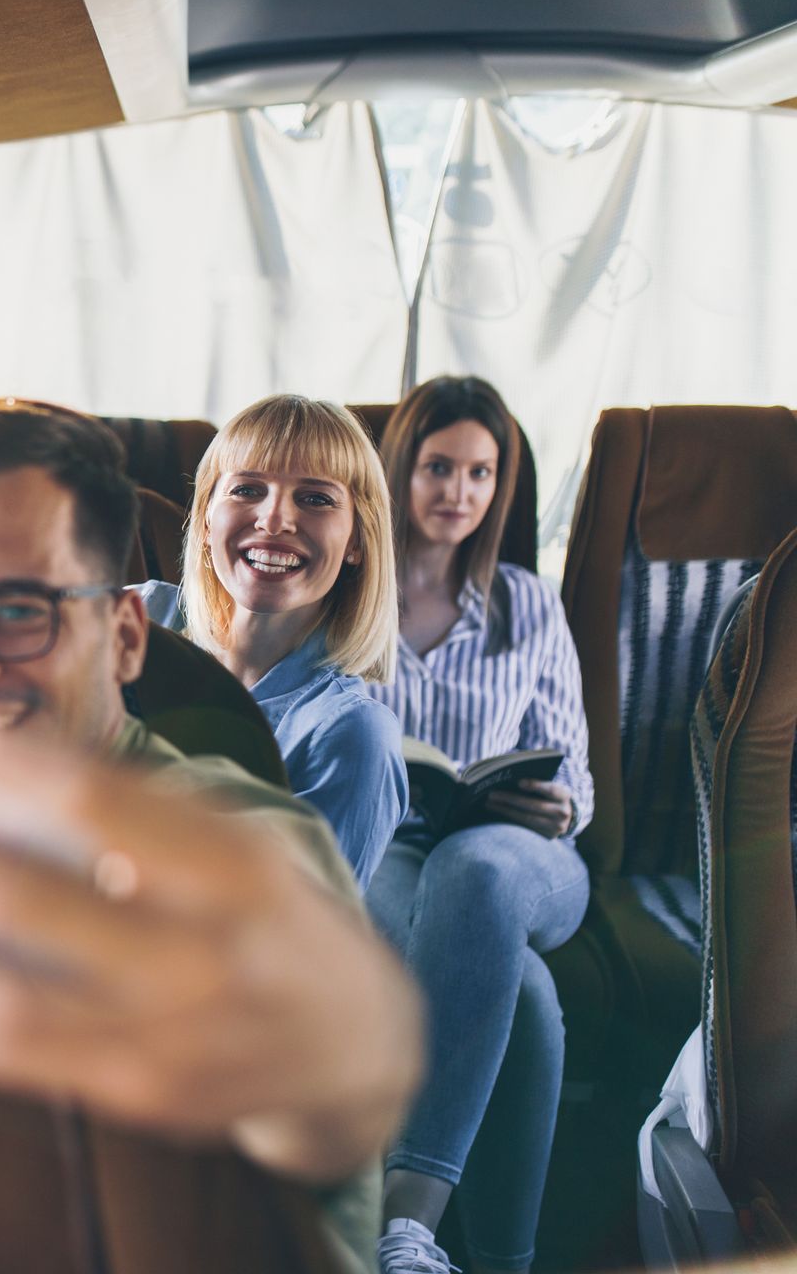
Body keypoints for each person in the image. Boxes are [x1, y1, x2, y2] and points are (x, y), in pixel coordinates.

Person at [0, 389, 422, 1265]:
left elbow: (304, 1012)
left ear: (123, 635)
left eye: (16, 608)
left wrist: (335, 1057)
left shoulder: (239, 836)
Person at [360, 376, 593, 1274]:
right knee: (524, 995)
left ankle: (404, 1223)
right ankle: (503, 1261)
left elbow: (574, 772)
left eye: (482, 473)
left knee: (482, 873)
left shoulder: (528, 604)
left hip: (528, 856)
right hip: (393, 848)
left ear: (503, 487)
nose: (459, 491)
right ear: (400, 472)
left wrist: (559, 801)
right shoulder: (350, 599)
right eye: (438, 467)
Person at [137, 395, 407, 886]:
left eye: (316, 498)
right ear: (203, 520)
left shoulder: (350, 737)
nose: (275, 520)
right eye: (247, 489)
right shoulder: (133, 618)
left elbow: (292, 946)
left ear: (357, 543)